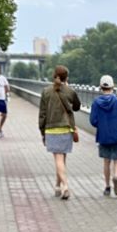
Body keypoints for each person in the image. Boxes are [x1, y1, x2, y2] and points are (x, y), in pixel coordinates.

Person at [38, 65, 81, 200]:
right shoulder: (70, 91)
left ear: (54, 76)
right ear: (66, 77)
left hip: (51, 128)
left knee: (58, 159)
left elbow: (42, 114)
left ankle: (65, 186)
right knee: (62, 159)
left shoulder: (46, 91)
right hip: (66, 128)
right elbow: (77, 107)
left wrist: (42, 131)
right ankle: (58, 185)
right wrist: (67, 88)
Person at [89, 74, 117, 197]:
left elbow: (93, 121)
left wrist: (101, 125)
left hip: (103, 136)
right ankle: (116, 176)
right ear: (113, 87)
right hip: (116, 135)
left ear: (101, 87)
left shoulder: (96, 102)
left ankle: (107, 187)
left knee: (106, 161)